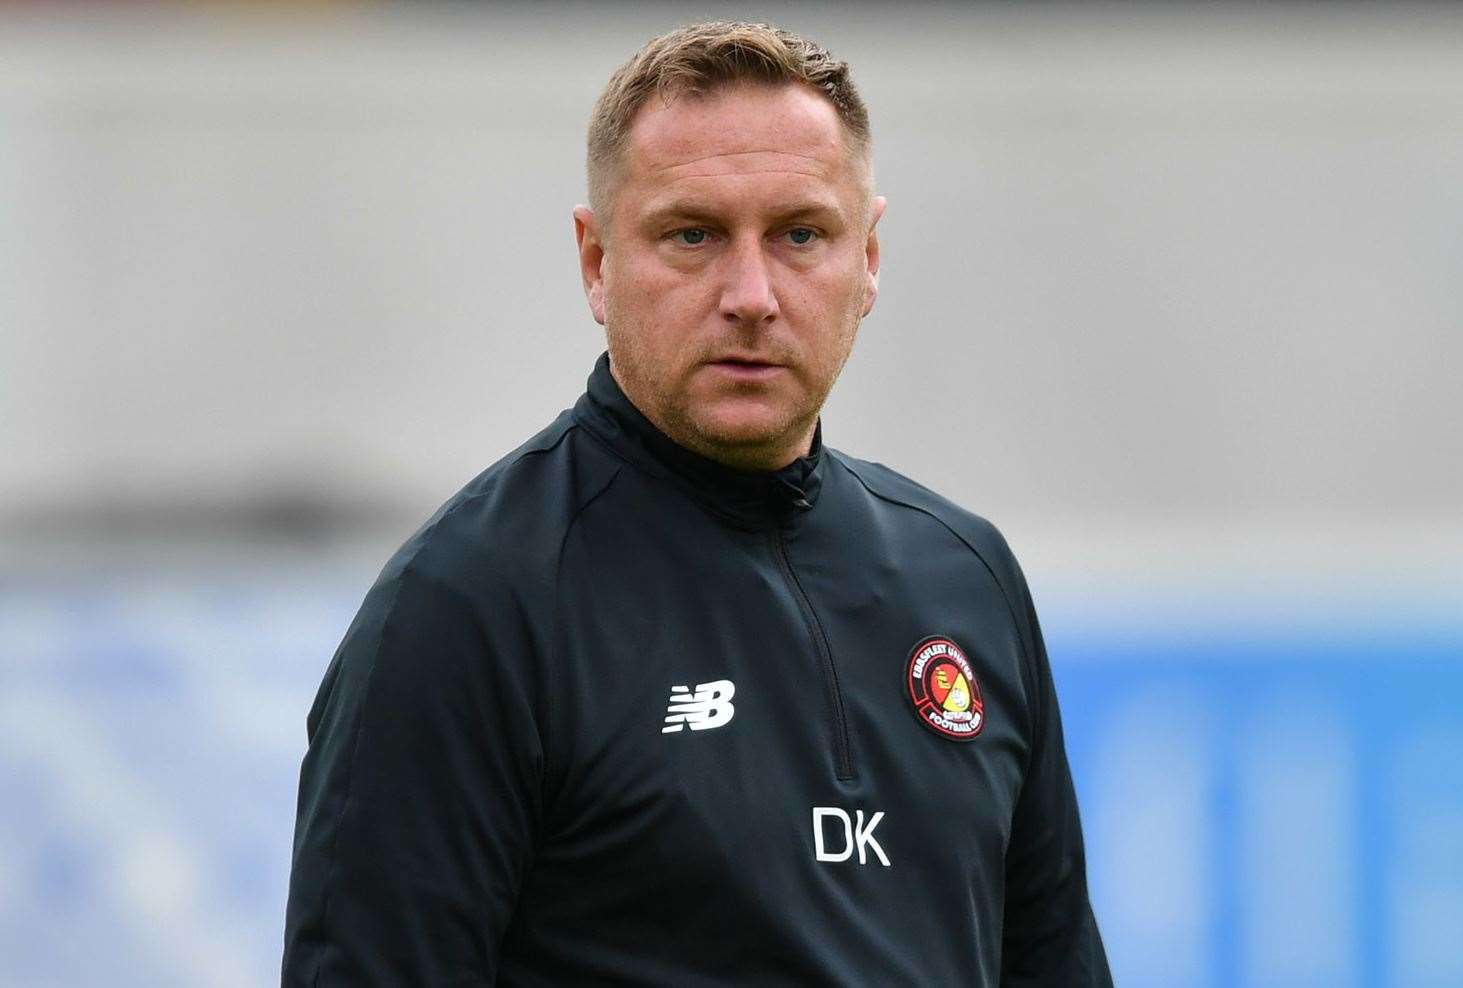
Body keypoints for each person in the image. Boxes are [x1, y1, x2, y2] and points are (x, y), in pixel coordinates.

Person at [283, 21, 1110, 987]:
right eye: (693, 236)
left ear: (870, 257)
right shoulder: (473, 604)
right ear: (596, 263)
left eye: (801, 234)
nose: (751, 294)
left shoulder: (965, 578)